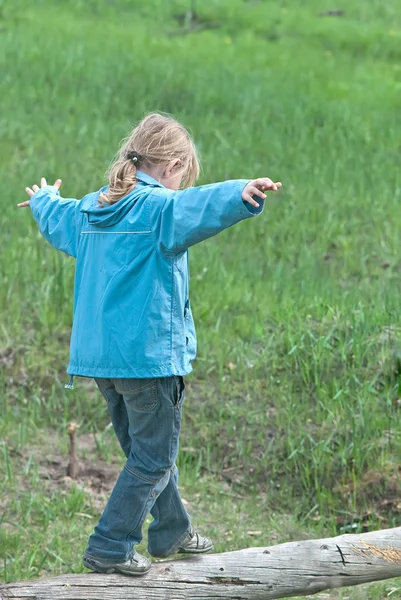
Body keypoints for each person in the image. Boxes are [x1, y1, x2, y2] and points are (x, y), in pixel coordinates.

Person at [19, 113, 282, 576]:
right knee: (154, 456)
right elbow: (198, 206)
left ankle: (171, 529)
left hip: (103, 363)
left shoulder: (90, 208)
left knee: (147, 453)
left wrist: (43, 199)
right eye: (185, 174)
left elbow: (56, 216)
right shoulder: (159, 209)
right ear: (174, 164)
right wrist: (240, 193)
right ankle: (110, 544)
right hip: (148, 360)